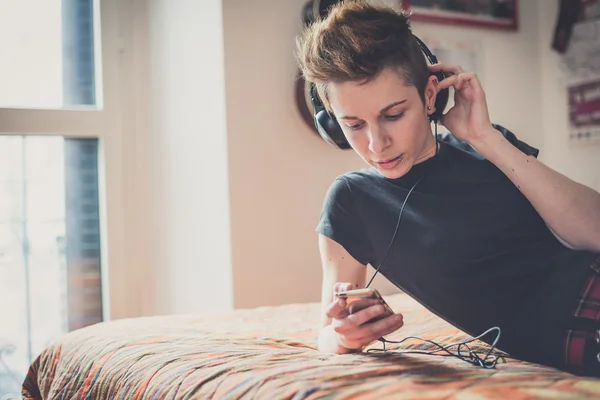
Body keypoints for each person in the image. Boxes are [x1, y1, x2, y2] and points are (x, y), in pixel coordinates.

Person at [295, 0, 600, 376]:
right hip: (578, 339)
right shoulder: (351, 202)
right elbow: (327, 335)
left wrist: (484, 136)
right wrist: (343, 337)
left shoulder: (488, 146)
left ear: (429, 96)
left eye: (393, 115)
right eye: (354, 125)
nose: (377, 144)